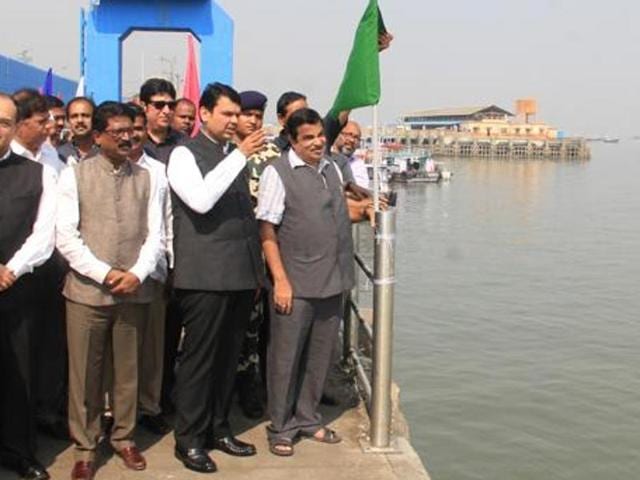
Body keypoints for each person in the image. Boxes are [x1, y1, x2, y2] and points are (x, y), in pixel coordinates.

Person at [257, 108, 373, 457]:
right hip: (296, 281)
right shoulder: (277, 173)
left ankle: (307, 416)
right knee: (286, 357)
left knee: (319, 355)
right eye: (307, 137)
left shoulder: (333, 168)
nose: (317, 142)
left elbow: (339, 212)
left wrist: (368, 210)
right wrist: (280, 280)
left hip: (333, 279)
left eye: (319, 135)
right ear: (291, 140)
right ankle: (281, 425)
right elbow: (266, 229)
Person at [56, 101, 163, 480]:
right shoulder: (74, 176)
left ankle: (124, 438)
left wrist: (136, 273)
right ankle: (86, 447)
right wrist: (105, 273)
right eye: (117, 132)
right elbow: (66, 237)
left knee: (128, 372)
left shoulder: (148, 177)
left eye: (130, 131)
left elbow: (156, 235)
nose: (127, 137)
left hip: (133, 291)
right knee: (85, 375)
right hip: (87, 294)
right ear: (97, 135)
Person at [167, 82, 265, 474]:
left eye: (236, 115)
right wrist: (239, 156)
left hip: (239, 275)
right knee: (199, 361)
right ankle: (188, 439)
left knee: (228, 359)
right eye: (226, 114)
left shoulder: (230, 156)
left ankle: (218, 428)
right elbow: (202, 200)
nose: (234, 121)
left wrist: (255, 273)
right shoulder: (183, 154)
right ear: (204, 113)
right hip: (205, 276)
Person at [0, 92, 57, 480]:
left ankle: (18, 450)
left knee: (18, 374)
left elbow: (45, 234)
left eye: (4, 122)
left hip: (16, 291)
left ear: (15, 127)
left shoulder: (38, 172)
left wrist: (12, 269)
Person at [230, 90, 280, 420]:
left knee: (263, 328)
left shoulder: (273, 154)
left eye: (257, 114)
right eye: (247, 113)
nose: (252, 119)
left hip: (266, 254)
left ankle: (257, 386)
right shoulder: (223, 152)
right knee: (235, 328)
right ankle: (236, 385)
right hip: (233, 254)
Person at [127, 103, 173, 435]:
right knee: (116, 352)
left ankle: (149, 406)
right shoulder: (91, 168)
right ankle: (117, 411)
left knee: (151, 348)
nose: (131, 135)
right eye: (124, 129)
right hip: (109, 275)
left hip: (152, 271)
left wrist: (168, 264)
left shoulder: (157, 170)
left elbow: (166, 223)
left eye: (137, 128)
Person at [11, 89, 66, 178]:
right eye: (41, 122)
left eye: (48, 119)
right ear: (20, 123)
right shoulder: (6, 154)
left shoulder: (50, 152)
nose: (48, 126)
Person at [140, 78, 183, 164]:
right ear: (144, 106)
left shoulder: (184, 143)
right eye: (159, 105)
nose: (166, 111)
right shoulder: (135, 142)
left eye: (171, 105)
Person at [57, 97, 98, 165]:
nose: (80, 120)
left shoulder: (106, 154)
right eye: (74, 116)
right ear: (67, 121)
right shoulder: (59, 155)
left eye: (85, 115)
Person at [334, 121, 370, 189]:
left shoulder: (358, 164)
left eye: (356, 137)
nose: (352, 140)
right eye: (348, 134)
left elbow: (359, 192)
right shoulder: (325, 158)